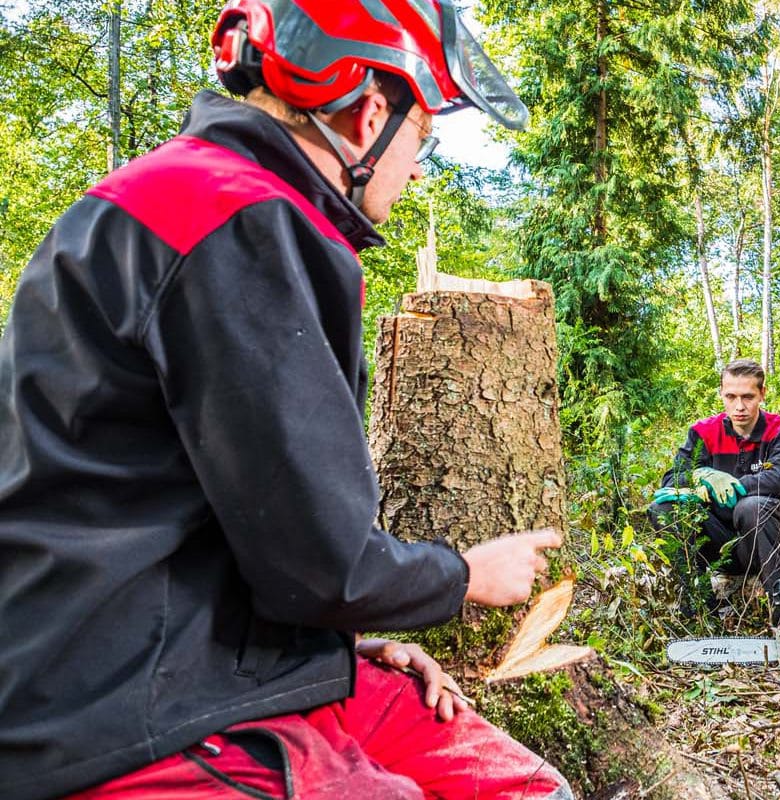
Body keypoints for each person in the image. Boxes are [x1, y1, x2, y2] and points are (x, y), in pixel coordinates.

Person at [0, 2, 570, 797]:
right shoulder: (234, 216)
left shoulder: (195, 200)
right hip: (118, 709)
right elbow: (320, 562)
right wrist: (465, 573)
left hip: (187, 661)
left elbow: (200, 503)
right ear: (373, 113)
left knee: (519, 782)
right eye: (422, 141)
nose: (416, 167)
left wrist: (324, 649)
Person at [650, 360, 780, 639]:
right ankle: (698, 607)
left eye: (748, 397)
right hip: (718, 542)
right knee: (663, 508)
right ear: (721, 394)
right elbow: (671, 480)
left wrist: (732, 485)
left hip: (765, 539)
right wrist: (703, 475)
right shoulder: (703, 433)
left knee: (751, 506)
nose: (739, 406)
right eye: (731, 397)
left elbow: (778, 480)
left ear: (762, 394)